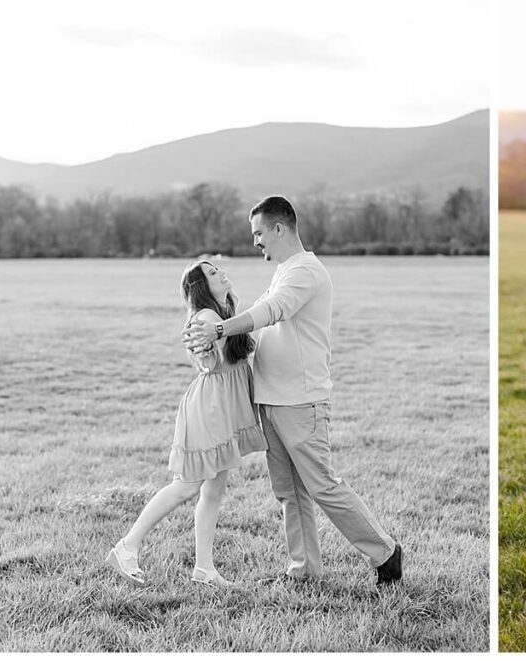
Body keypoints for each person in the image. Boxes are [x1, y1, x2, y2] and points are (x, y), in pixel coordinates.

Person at [183, 195, 402, 585]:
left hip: (301, 401)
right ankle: (303, 572)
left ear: (279, 228)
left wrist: (219, 328)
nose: (256, 242)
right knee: (289, 492)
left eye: (259, 233)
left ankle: (385, 553)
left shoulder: (306, 272)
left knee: (322, 485)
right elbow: (263, 324)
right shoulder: (284, 269)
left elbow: (272, 311)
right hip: (272, 399)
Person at [106, 261, 267, 588]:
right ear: (200, 287)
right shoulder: (208, 318)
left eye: (217, 268)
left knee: (214, 489)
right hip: (210, 409)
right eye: (211, 273)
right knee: (188, 485)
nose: (220, 272)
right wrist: (203, 343)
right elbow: (206, 352)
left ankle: (204, 569)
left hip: (225, 407)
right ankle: (127, 546)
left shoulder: (222, 311)